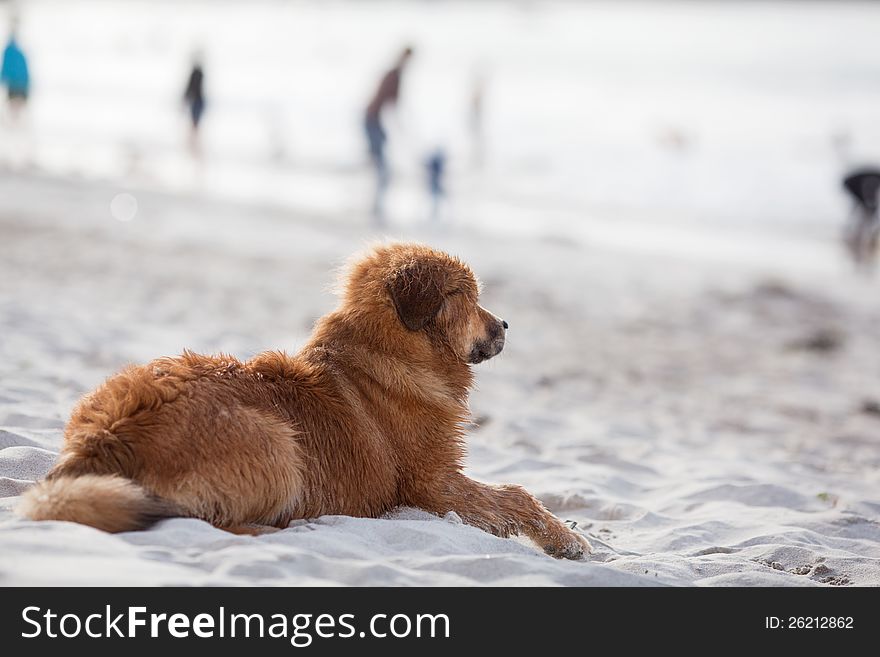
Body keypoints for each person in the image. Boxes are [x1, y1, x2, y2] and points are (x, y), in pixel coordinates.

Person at [364, 46, 413, 221]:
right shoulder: (395, 75)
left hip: (373, 120)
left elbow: (388, 103)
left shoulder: (392, 73)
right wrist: (402, 128)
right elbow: (392, 105)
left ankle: (376, 204)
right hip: (372, 121)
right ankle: (375, 206)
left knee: (379, 165)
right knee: (381, 167)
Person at [842, 167, 880, 270]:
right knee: (861, 212)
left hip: (857, 185)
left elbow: (872, 199)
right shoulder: (873, 179)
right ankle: (853, 236)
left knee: (866, 212)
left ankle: (862, 237)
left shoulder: (874, 177)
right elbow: (868, 193)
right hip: (852, 186)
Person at [1, 27, 30, 120]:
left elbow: (5, 67)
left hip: (15, 83)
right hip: (19, 83)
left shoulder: (10, 51)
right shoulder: (19, 51)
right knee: (16, 103)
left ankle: (16, 120)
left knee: (15, 102)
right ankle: (16, 120)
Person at [183, 56, 205, 153]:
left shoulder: (195, 74)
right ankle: (194, 141)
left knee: (194, 122)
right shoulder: (201, 73)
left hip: (196, 101)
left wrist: (185, 97)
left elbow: (190, 87)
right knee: (195, 122)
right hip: (199, 101)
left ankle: (193, 142)